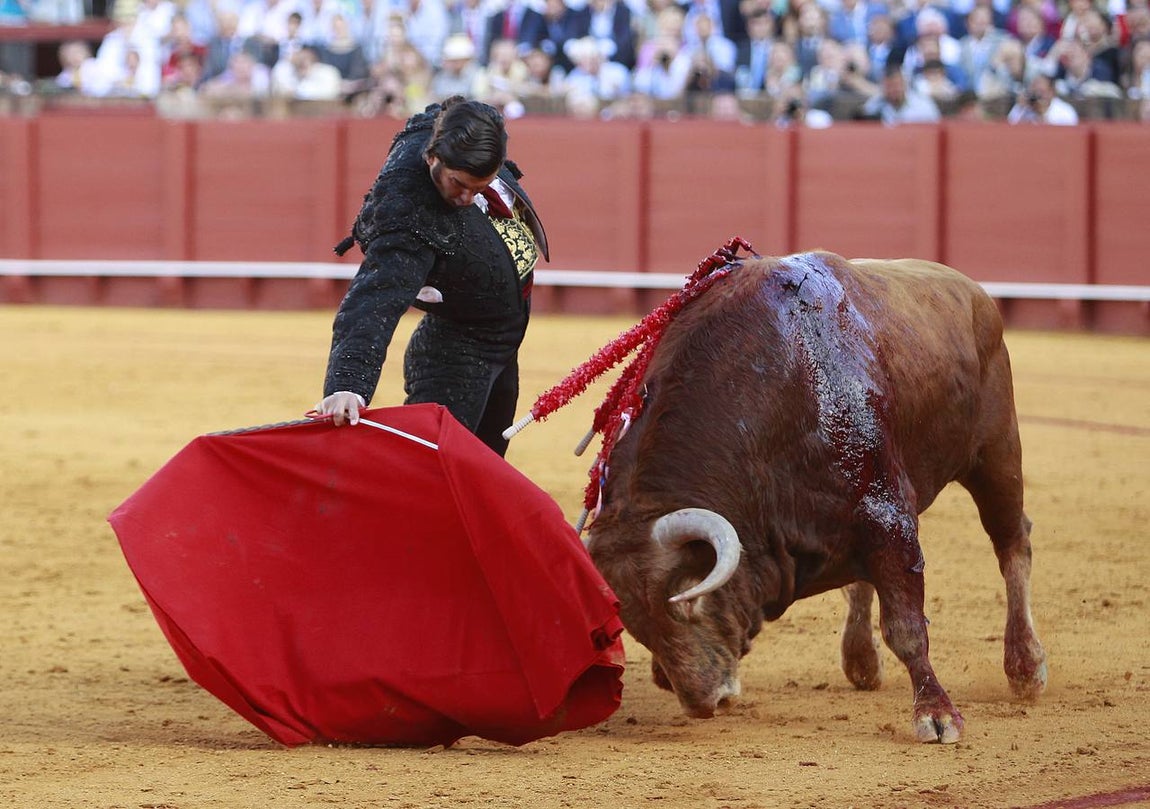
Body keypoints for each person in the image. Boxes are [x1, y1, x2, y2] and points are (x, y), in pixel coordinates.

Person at [317, 96, 549, 458]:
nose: (468, 198)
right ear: (431, 158)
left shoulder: (457, 130)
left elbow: (453, 109)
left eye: (480, 186)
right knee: (431, 477)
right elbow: (374, 298)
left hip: (501, 340)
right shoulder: (408, 212)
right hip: (458, 359)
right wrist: (348, 382)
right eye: (458, 184)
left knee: (481, 472)